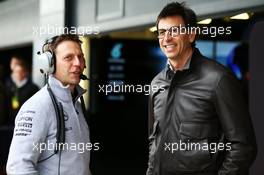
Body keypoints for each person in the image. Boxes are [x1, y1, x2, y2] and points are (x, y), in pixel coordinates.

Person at [147, 2, 257, 175]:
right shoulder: (156, 84)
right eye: (161, 32)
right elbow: (154, 141)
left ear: (191, 35)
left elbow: (242, 146)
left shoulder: (218, 79)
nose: (166, 38)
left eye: (174, 31)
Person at [6, 34, 92, 175]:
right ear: (49, 64)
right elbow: (18, 167)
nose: (78, 63)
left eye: (80, 56)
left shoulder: (77, 103)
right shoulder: (37, 106)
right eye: (68, 57)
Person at [4, 55, 39, 126]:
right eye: (15, 72)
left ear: (25, 73)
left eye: (19, 72)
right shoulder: (8, 85)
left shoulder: (33, 88)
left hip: (25, 122)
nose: (16, 75)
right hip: (9, 123)